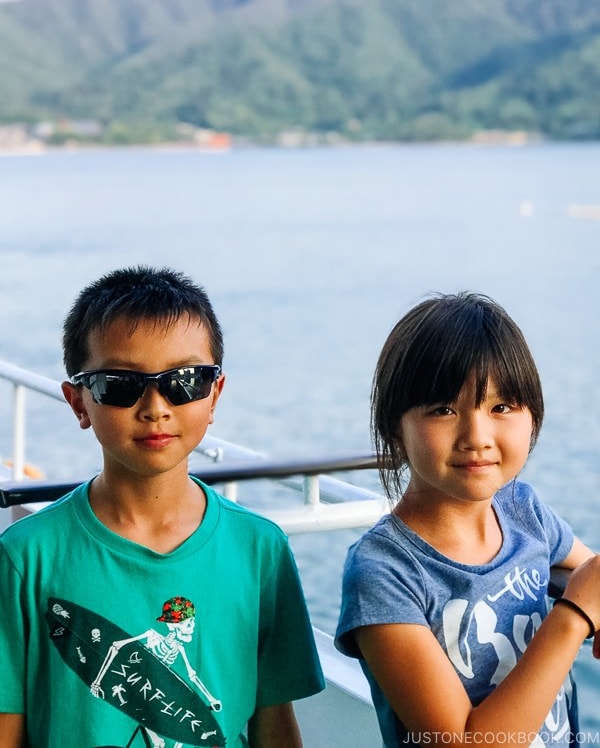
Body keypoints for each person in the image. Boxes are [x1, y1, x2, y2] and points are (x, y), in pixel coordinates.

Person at [0, 266, 324, 748]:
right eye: (119, 383)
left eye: (185, 380)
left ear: (215, 394)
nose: (155, 406)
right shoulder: (27, 556)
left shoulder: (260, 550)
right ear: (78, 403)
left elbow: (274, 723)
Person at [335, 292, 600, 746]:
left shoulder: (522, 509)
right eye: (443, 410)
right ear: (395, 428)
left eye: (501, 408)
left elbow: (589, 574)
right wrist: (573, 618)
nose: (477, 437)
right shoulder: (384, 573)